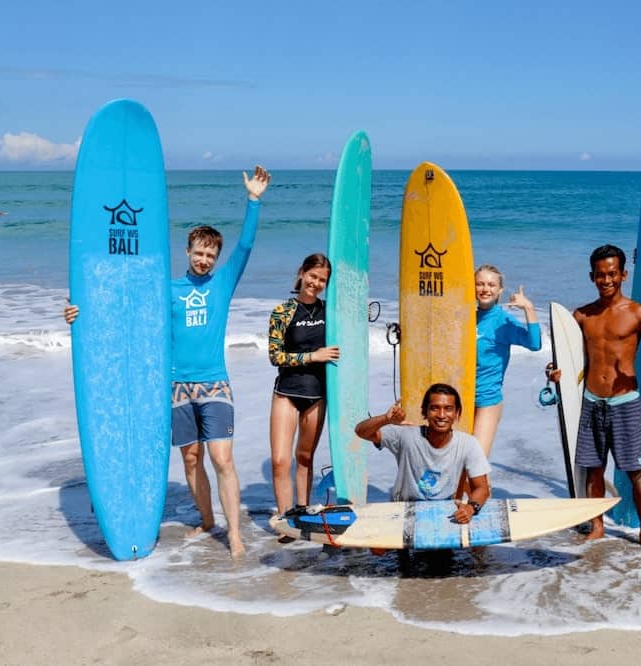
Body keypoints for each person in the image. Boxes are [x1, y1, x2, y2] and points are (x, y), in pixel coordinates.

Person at [65, 164, 271, 559]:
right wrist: (79, 312)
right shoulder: (167, 289)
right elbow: (124, 311)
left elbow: (245, 246)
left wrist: (253, 201)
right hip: (176, 386)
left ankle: (234, 534)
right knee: (191, 459)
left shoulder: (222, 283)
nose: (204, 260)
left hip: (214, 383)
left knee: (222, 458)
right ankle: (207, 520)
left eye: (211, 255)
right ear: (187, 251)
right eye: (199, 253)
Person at [549, 244, 641, 550]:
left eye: (612, 274)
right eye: (600, 275)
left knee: (637, 472)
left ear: (623, 274)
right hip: (592, 401)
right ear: (592, 276)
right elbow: (567, 359)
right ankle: (598, 526)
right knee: (594, 469)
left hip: (625, 403)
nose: (606, 280)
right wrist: (555, 372)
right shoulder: (582, 315)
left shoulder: (637, 313)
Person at [267, 253, 339, 523]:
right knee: (280, 461)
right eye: (313, 276)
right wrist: (313, 356)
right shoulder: (283, 311)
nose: (316, 283)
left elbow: (352, 328)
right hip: (286, 392)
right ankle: (286, 519)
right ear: (301, 273)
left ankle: (302, 513)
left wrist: (361, 313)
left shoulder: (330, 311)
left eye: (322, 280)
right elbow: (275, 356)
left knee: (305, 457)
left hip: (316, 394)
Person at [354, 383, 491, 525]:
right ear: (425, 412)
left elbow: (482, 488)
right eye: (434, 408)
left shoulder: (468, 443)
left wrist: (470, 508)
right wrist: (385, 419)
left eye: (448, 409)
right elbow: (361, 431)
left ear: (457, 413)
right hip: (403, 512)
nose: (441, 415)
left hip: (444, 514)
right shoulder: (405, 436)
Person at [473, 264, 542, 455]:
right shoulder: (465, 317)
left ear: (500, 290)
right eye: (480, 284)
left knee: (475, 462)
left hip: (487, 400)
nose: (485, 289)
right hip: (459, 397)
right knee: (455, 463)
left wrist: (528, 307)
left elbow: (534, 343)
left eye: (491, 285)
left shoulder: (503, 321)